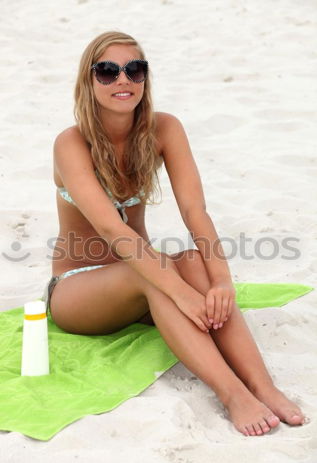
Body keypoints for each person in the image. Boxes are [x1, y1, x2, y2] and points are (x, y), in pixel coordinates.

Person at [44, 31, 305, 436]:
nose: (123, 80)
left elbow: (194, 211)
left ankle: (263, 386)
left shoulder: (164, 128)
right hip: (79, 292)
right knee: (156, 272)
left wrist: (221, 282)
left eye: (135, 69)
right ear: (88, 81)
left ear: (146, 78)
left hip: (144, 277)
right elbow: (112, 229)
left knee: (194, 262)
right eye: (107, 72)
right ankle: (233, 394)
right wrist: (182, 293)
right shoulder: (71, 143)